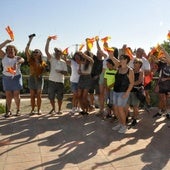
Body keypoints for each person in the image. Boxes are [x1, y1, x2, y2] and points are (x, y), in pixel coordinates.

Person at [110, 53, 134, 134]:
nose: (121, 60)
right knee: (115, 110)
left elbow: (131, 83)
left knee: (120, 109)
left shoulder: (130, 70)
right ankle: (120, 123)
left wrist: (127, 93)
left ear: (126, 60)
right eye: (120, 58)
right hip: (115, 91)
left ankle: (124, 126)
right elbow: (114, 60)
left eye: (122, 58)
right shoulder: (118, 68)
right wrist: (111, 55)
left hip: (123, 92)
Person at [0, 39, 24, 117]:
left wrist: (17, 63)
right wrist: (6, 42)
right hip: (6, 78)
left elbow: (22, 60)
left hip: (16, 77)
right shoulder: (4, 56)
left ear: (15, 51)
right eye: (9, 50)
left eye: (12, 50)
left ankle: (18, 110)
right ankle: (9, 111)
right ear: (6, 51)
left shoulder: (17, 57)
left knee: (16, 94)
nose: (10, 51)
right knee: (8, 94)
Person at [45, 36, 68, 115]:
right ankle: (54, 109)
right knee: (51, 97)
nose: (56, 52)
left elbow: (66, 73)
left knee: (60, 98)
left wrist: (60, 71)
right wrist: (48, 41)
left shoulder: (63, 62)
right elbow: (46, 51)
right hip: (52, 81)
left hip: (60, 82)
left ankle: (59, 109)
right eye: (55, 51)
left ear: (61, 53)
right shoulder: (52, 59)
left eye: (58, 51)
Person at [25, 34, 47, 115]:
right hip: (31, 78)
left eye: (36, 52)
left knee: (39, 95)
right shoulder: (30, 60)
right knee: (32, 95)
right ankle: (33, 109)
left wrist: (42, 73)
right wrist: (30, 40)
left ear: (40, 54)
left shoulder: (43, 63)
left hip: (39, 79)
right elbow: (27, 50)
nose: (34, 53)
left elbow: (45, 71)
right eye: (34, 52)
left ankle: (39, 110)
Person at [126, 58, 144, 126]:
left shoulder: (141, 72)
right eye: (134, 62)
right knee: (126, 105)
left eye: (136, 62)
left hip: (136, 91)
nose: (134, 63)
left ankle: (135, 119)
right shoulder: (131, 70)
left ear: (140, 64)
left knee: (135, 106)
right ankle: (127, 117)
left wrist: (131, 84)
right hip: (129, 90)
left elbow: (139, 81)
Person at [77, 50, 94, 115]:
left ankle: (87, 108)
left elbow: (91, 60)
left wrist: (85, 56)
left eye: (86, 54)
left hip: (87, 78)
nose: (84, 55)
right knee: (79, 96)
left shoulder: (90, 62)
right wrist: (79, 71)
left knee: (84, 97)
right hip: (81, 78)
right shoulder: (81, 62)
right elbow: (79, 70)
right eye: (83, 54)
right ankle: (83, 110)